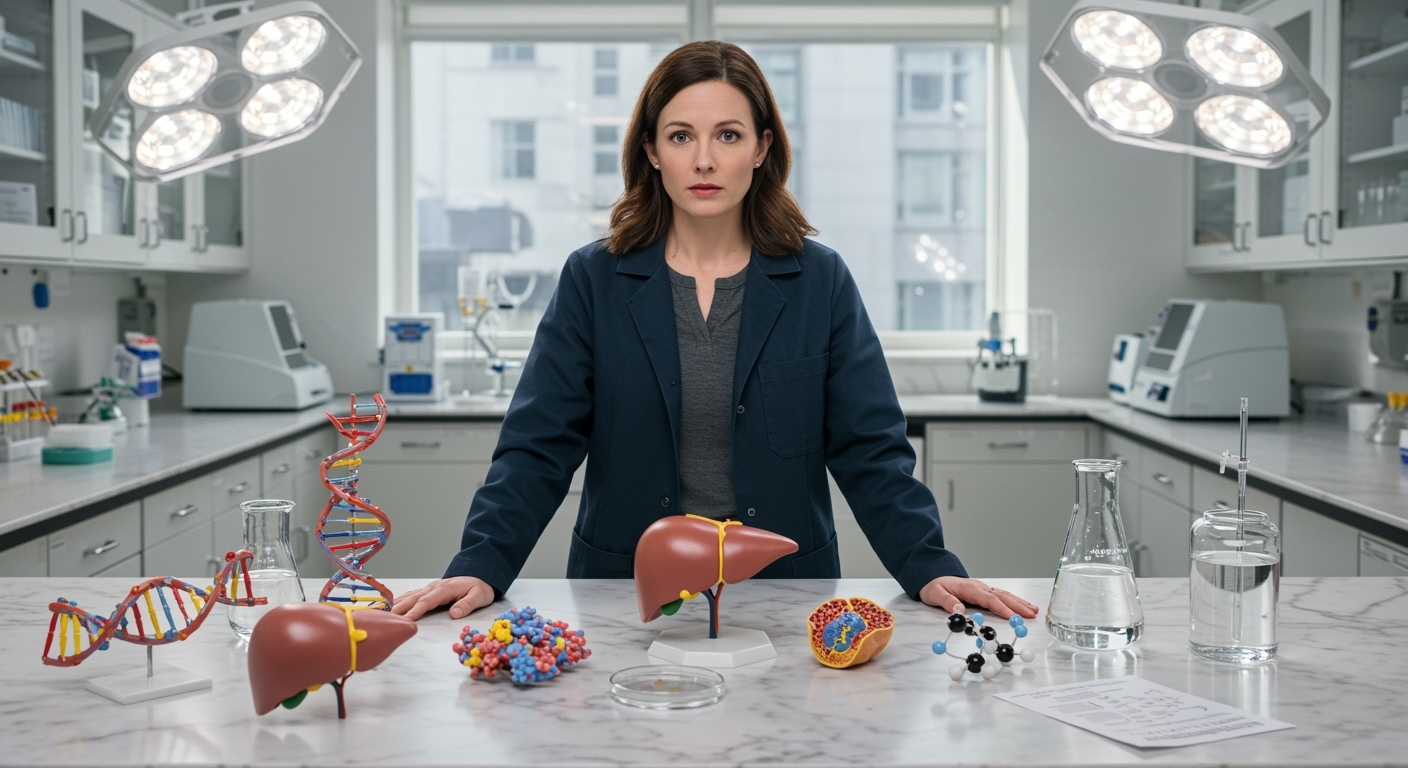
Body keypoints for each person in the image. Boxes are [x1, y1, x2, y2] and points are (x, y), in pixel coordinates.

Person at [393, 41, 1039, 624]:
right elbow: (536, 449)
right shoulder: (594, 279)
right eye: (680, 136)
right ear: (650, 150)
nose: (704, 159)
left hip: (784, 596)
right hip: (627, 597)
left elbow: (872, 452)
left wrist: (930, 565)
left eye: (727, 136)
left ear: (762, 148)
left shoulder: (820, 280)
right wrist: (480, 563)